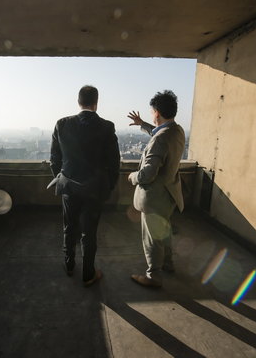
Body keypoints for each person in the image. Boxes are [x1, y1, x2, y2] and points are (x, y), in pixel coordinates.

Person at [50, 85, 120, 286]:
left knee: (68, 227)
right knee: (89, 233)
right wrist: (109, 186)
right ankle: (88, 274)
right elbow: (114, 162)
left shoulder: (62, 124)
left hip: (69, 187)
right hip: (94, 189)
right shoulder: (107, 127)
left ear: (78, 102)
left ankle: (69, 264)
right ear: (96, 103)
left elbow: (55, 158)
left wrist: (62, 178)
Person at [127, 90, 185, 288]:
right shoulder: (177, 131)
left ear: (157, 113)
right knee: (164, 232)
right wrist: (143, 124)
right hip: (170, 194)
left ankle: (153, 276)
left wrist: (133, 177)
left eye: (153, 112)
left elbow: (147, 174)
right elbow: (160, 133)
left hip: (155, 197)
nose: (152, 115)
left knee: (152, 238)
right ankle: (168, 265)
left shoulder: (160, 139)